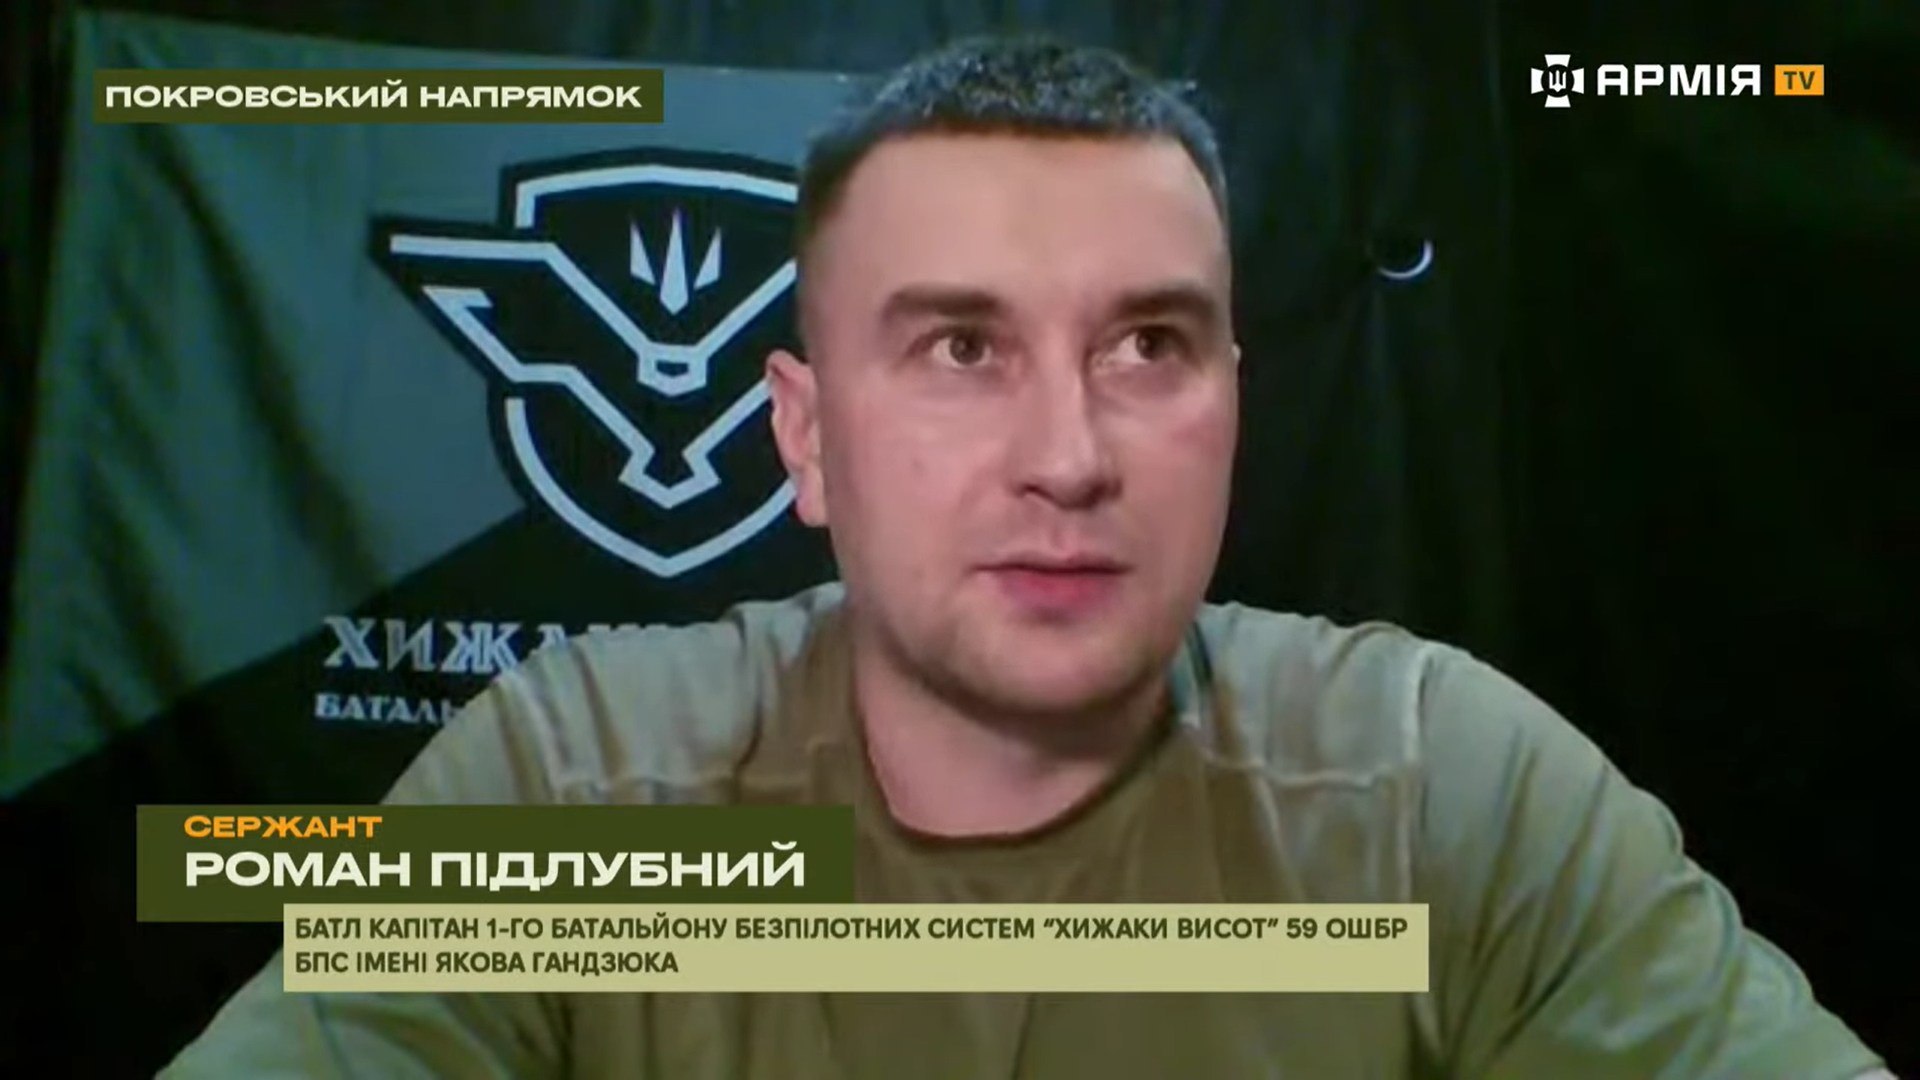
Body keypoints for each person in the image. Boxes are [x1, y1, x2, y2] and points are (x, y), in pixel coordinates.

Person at [161, 35, 1893, 1080]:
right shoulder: (573, 785)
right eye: (960, 348)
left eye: (1149, 345)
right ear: (804, 437)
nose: (1069, 455)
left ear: (1234, 400)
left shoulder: (1450, 794)